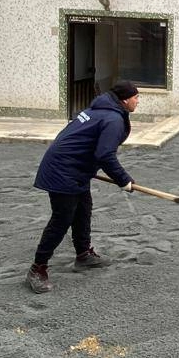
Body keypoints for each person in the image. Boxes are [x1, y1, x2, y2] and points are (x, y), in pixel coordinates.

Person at [25, 81, 140, 293]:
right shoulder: (112, 118)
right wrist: (123, 180)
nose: (138, 101)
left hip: (74, 169)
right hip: (63, 171)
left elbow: (74, 138)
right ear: (125, 100)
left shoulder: (97, 110)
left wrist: (83, 165)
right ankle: (37, 268)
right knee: (62, 219)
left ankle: (83, 255)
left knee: (83, 210)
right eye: (136, 97)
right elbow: (105, 154)